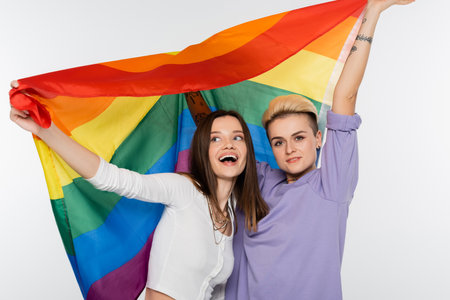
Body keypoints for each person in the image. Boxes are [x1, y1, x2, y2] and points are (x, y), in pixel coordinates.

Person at [225, 0, 414, 299]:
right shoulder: (260, 181)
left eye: (299, 138)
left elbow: (346, 94)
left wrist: (374, 11)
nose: (289, 149)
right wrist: (192, 88)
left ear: (318, 138)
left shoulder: (330, 185)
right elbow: (221, 137)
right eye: (278, 142)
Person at [9, 103, 269, 299]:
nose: (229, 145)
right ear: (204, 150)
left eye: (237, 137)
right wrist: (45, 130)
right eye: (216, 138)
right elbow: (112, 179)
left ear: (247, 150)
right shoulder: (184, 189)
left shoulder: (234, 215)